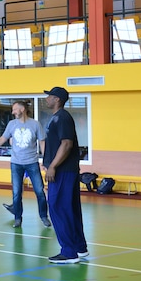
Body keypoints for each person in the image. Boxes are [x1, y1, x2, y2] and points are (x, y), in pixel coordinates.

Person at [0, 101, 50, 228]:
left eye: (15, 109)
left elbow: (42, 142)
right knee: (16, 192)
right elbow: (2, 139)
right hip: (16, 163)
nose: (13, 112)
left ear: (22, 109)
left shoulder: (35, 124)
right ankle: (18, 218)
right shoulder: (11, 124)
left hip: (32, 163)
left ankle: (44, 216)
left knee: (40, 191)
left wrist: (45, 161)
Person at [42, 86, 89, 264]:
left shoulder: (62, 118)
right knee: (70, 208)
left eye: (50, 96)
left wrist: (53, 165)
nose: (46, 99)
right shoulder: (56, 118)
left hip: (62, 172)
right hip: (63, 171)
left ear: (57, 99)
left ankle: (69, 252)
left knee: (58, 207)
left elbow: (67, 144)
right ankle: (79, 247)